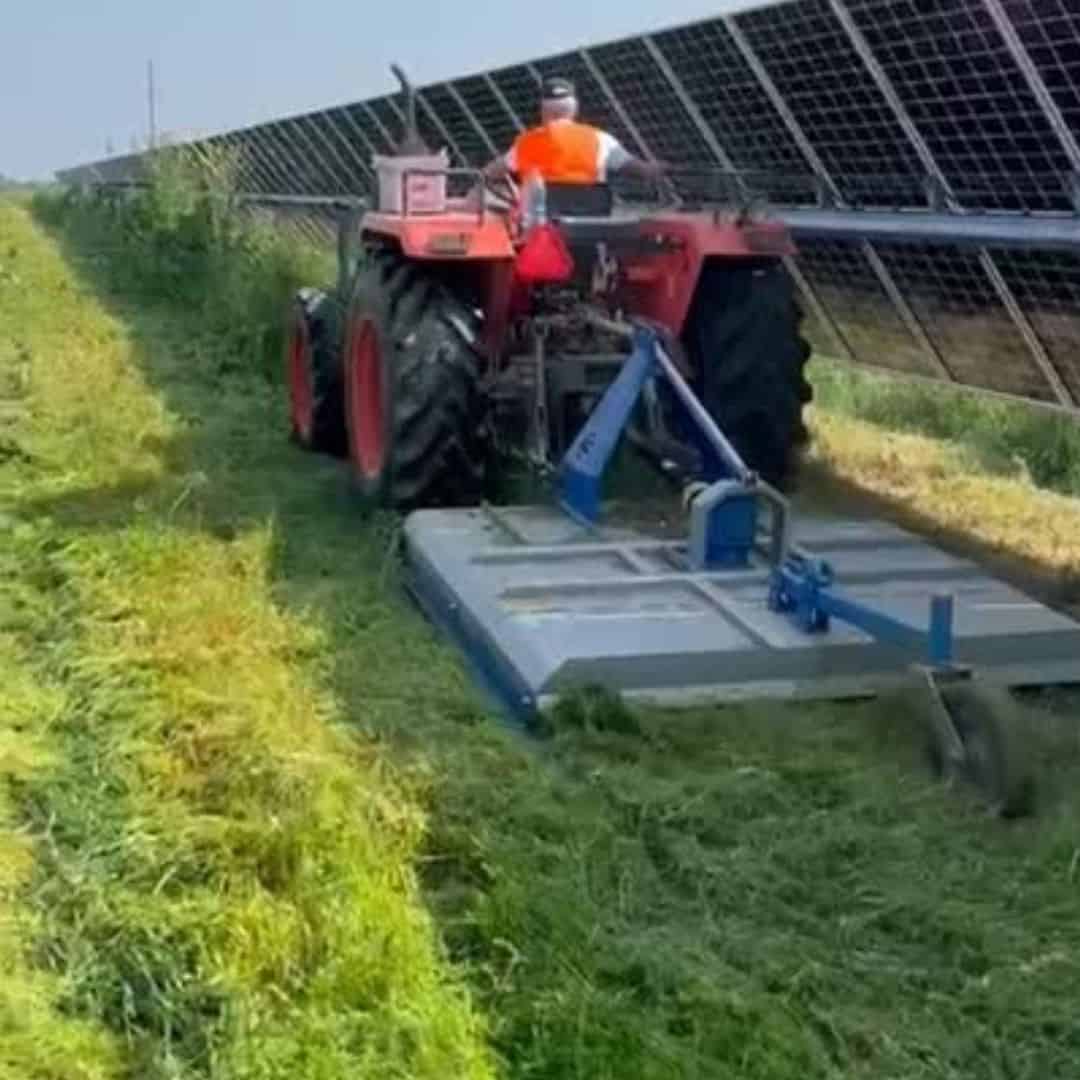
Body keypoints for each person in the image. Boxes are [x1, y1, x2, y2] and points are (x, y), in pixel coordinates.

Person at [483, 76, 664, 187]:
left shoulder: (526, 143)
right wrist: (657, 168)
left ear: (543, 110)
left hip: (540, 231)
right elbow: (641, 170)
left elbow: (492, 172)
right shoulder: (601, 139)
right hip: (589, 227)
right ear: (574, 108)